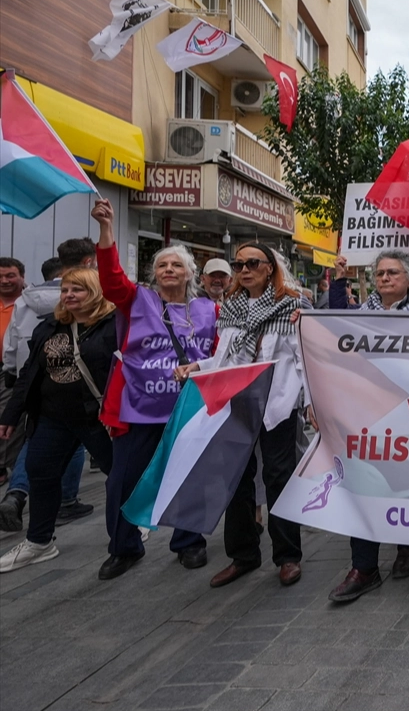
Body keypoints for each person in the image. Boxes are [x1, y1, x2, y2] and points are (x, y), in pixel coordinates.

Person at [91, 198, 216, 579]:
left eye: (177, 264)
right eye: (162, 264)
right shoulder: (137, 300)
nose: (168, 269)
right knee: (122, 481)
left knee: (189, 478)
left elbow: (220, 354)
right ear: (153, 273)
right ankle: (124, 546)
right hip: (138, 409)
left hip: (188, 409)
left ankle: (188, 541)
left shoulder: (208, 310)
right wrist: (107, 229)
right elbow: (111, 278)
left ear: (190, 273)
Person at [175, 243, 306, 589]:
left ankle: (288, 556)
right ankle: (244, 555)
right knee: (234, 478)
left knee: (278, 477)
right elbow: (224, 358)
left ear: (269, 268)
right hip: (236, 404)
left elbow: (303, 359)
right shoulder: (230, 308)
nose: (244, 269)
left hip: (276, 404)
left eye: (252, 263)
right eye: (239, 264)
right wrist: (197, 367)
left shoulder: (291, 306)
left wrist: (310, 402)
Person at [326, 251, 409, 603]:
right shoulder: (363, 314)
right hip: (365, 412)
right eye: (379, 273)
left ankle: (408, 547)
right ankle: (364, 566)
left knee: (403, 481)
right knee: (362, 483)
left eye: (393, 273)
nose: (385, 278)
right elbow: (335, 325)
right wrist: (339, 280)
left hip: (408, 414)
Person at [0, 269, 117, 573]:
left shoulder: (113, 325)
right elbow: (29, 373)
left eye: (77, 289)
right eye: (65, 290)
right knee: (40, 471)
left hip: (96, 416)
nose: (68, 295)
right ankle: (39, 542)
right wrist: (12, 413)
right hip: (52, 416)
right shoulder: (49, 326)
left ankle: (128, 532)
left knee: (118, 473)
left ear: (94, 291)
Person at [1, 239, 99, 528]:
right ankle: (66, 501)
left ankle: (17, 494)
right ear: (88, 262)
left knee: (38, 438)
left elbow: (12, 341)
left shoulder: (25, 300)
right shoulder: (88, 297)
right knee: (73, 442)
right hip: (76, 386)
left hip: (29, 380)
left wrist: (10, 371)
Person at [0, 257, 26, 485]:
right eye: (0, 277)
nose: (4, 281)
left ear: (22, 277)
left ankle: (5, 466)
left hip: (12, 371)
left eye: (10, 275)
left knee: (7, 419)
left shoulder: (28, 303)